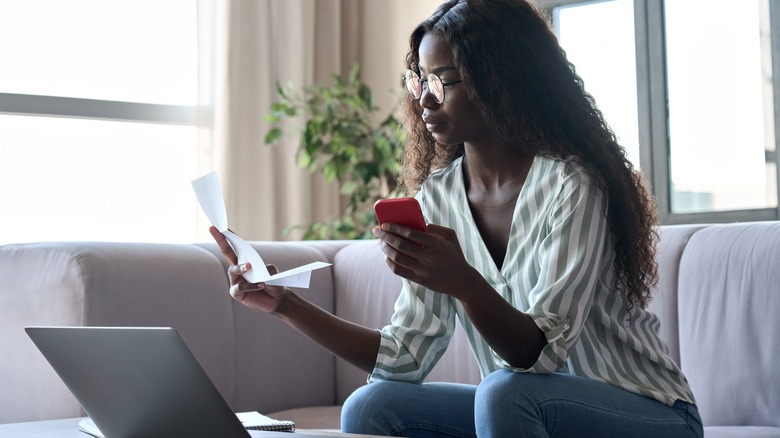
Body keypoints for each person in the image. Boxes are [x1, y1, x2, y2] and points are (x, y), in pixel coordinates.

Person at [210, 0, 703, 436]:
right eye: (419, 79)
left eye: (442, 82)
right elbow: (403, 358)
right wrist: (285, 306)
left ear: (500, 80)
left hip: (650, 414)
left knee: (504, 393)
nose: (423, 98)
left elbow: (542, 355)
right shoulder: (440, 197)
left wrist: (463, 282)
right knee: (372, 405)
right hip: (527, 406)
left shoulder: (571, 186)